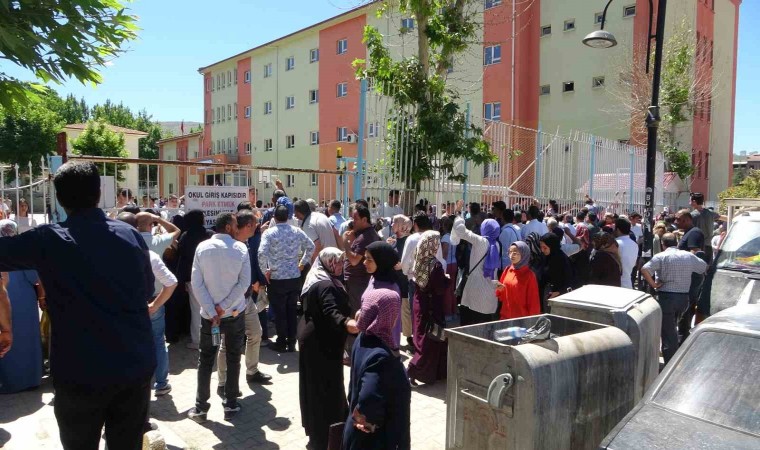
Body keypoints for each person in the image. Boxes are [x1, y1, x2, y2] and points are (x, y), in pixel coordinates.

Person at [0, 162, 155, 450]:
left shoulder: (48, 239)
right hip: (132, 365)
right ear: (98, 193)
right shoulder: (129, 234)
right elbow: (147, 290)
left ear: (59, 198)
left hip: (80, 372)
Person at [188, 212, 250, 422]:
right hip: (232, 314)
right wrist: (222, 308)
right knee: (233, 358)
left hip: (211, 318)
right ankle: (230, 404)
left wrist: (213, 310)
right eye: (236, 224)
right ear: (229, 227)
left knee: (206, 360)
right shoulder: (240, 249)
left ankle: (201, 407)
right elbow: (244, 283)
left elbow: (196, 283)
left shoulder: (202, 248)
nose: (238, 228)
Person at [298, 248, 358, 450]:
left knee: (316, 388)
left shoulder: (319, 277)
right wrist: (346, 323)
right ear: (327, 263)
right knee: (326, 391)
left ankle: (320, 433)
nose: (340, 266)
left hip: (316, 341)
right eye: (337, 262)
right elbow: (330, 310)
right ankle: (326, 436)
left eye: (341, 261)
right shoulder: (326, 285)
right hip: (321, 346)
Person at [117, 213, 178, 398]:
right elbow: (171, 282)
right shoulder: (149, 254)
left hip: (123, 308)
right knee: (157, 341)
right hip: (150, 302)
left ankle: (132, 386)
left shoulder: (108, 255)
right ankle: (161, 383)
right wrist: (155, 305)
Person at [344, 288, 411, 449]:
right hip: (374, 441)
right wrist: (368, 423)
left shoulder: (363, 338)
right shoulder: (381, 355)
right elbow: (369, 399)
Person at [216, 210, 272, 396]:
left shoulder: (250, 241)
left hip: (246, 299)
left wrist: (256, 281)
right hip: (230, 302)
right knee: (227, 344)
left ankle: (252, 371)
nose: (258, 227)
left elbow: (253, 264)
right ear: (247, 225)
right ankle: (223, 383)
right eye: (255, 224)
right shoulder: (229, 245)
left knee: (256, 333)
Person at [641, 233, 708, 364]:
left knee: (668, 333)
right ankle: (676, 354)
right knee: (673, 327)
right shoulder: (688, 256)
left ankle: (670, 363)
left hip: (666, 298)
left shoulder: (661, 256)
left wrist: (654, 285)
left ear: (663, 244)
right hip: (683, 299)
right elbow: (704, 268)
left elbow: (644, 269)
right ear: (676, 243)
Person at [259, 205, 315, 353]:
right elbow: (311, 246)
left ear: (274, 218)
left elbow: (261, 253)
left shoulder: (269, 233)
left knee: (279, 312)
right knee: (291, 310)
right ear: (288, 217)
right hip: (294, 277)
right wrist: (302, 263)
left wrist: (265, 271)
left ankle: (281, 341)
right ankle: (291, 341)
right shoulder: (297, 231)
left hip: (277, 278)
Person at [0, 220, 44, 394]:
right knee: (27, 338)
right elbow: (34, 277)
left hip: (5, 304)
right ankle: (30, 379)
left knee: (6, 342)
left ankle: (8, 381)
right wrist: (42, 296)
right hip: (24, 302)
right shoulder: (20, 251)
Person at [407, 231, 448, 385]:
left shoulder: (419, 259)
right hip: (432, 307)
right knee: (432, 339)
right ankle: (414, 370)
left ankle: (433, 373)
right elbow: (439, 288)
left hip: (420, 302)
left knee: (422, 336)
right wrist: (447, 280)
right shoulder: (435, 265)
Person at [341, 205, 380, 351]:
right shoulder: (364, 234)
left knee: (356, 315)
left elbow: (354, 260)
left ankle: (354, 351)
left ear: (364, 219)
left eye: (356, 218)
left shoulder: (366, 236)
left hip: (358, 282)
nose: (353, 221)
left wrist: (345, 243)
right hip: (357, 281)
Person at [451, 217, 500, 326]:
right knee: (485, 325)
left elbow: (460, 230)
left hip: (475, 290)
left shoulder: (480, 241)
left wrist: (459, 217)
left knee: (472, 324)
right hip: (490, 292)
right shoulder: (497, 245)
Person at [176, 210, 213, 349]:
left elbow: (181, 255)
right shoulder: (210, 235)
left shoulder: (186, 236)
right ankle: (215, 340)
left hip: (193, 277)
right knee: (212, 308)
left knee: (196, 309)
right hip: (211, 276)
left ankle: (198, 341)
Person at [674, 208, 706, 342]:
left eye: (678, 219)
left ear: (687, 220)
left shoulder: (694, 233)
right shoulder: (688, 232)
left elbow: (694, 254)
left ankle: (683, 339)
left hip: (691, 278)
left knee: (686, 309)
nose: (676, 222)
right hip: (687, 277)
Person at [363, 242, 401, 349]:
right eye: (365, 258)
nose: (364, 262)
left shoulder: (390, 290)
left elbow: (387, 325)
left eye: (369, 260)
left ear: (381, 261)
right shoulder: (374, 278)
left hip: (381, 346)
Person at [495, 242, 540, 320]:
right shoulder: (507, 270)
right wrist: (497, 287)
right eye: (510, 252)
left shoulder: (529, 275)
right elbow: (501, 295)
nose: (511, 255)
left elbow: (533, 302)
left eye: (515, 253)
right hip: (505, 317)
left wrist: (532, 321)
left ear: (523, 254)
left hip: (521, 319)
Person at [389, 214, 414, 349]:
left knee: (405, 310)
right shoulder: (394, 240)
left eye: (394, 222)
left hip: (403, 283)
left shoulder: (408, 241)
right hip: (393, 282)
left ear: (402, 226)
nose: (391, 225)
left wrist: (402, 266)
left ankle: (409, 336)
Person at [539, 233, 573, 303]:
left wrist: (559, 291)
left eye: (545, 248)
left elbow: (569, 278)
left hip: (559, 297)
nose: (542, 250)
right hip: (547, 294)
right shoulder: (546, 257)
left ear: (552, 246)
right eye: (541, 247)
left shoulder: (561, 259)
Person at [690, 192, 718, 263]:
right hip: (709, 245)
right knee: (708, 266)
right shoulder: (710, 212)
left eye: (690, 200)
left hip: (697, 246)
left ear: (694, 202)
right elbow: (724, 217)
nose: (689, 202)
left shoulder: (692, 215)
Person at [439, 215, 458, 318]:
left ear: (444, 226)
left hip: (447, 264)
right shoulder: (454, 236)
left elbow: (445, 252)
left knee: (446, 290)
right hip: (454, 263)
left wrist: (442, 263)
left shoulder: (446, 237)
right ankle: (454, 311)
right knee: (452, 289)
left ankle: (448, 313)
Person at [614, 218, 638, 289]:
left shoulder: (614, 243)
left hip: (616, 283)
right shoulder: (634, 244)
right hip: (628, 283)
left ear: (617, 229)